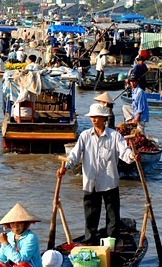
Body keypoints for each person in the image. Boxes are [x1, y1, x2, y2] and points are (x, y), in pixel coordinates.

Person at [58, 103, 137, 244]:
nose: (94, 120)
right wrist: (66, 166)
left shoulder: (114, 136)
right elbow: (74, 156)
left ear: (103, 119)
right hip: (91, 182)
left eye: (97, 117)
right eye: (92, 117)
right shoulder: (85, 136)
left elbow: (124, 152)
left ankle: (111, 242)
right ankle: (90, 241)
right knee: (90, 216)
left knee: (112, 216)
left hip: (109, 182)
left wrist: (132, 156)